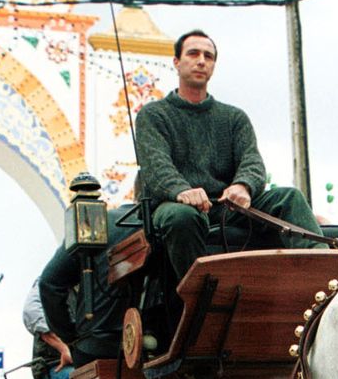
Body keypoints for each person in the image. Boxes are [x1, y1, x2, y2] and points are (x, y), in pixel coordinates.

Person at [135, 29, 325, 278]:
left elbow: (252, 162)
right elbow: (156, 165)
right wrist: (181, 191)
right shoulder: (153, 115)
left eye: (209, 56)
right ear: (176, 62)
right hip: (175, 206)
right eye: (193, 53)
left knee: (289, 197)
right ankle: (197, 295)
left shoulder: (234, 118)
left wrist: (243, 186)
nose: (201, 60)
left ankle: (323, 279)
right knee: (182, 217)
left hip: (228, 209)